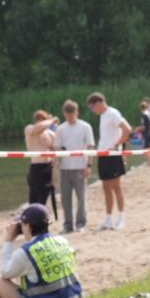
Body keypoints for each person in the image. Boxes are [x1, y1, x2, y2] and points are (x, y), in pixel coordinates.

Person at [0, 203, 86, 298]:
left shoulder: (27, 251)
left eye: (22, 225)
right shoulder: (62, 241)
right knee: (27, 276)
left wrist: (8, 240)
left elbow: (5, 272)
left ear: (28, 227)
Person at [87, 92, 131, 230]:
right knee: (106, 188)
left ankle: (121, 218)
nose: (92, 110)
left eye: (92, 107)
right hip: (103, 155)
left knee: (116, 187)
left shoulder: (112, 113)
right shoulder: (103, 116)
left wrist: (116, 145)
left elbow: (127, 129)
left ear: (99, 103)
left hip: (112, 155)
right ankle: (108, 219)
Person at [54, 100, 94, 233]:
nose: (70, 117)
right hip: (65, 168)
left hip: (80, 166)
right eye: (67, 115)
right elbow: (57, 147)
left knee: (81, 197)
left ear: (77, 112)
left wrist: (89, 165)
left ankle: (81, 223)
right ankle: (68, 224)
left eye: (72, 114)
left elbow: (90, 147)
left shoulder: (85, 126)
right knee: (65, 198)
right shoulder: (61, 128)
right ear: (64, 114)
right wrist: (57, 160)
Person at [24, 110, 58, 207]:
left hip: (48, 167)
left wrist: (55, 163)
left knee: (44, 198)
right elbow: (38, 128)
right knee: (33, 199)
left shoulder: (50, 133)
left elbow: (55, 150)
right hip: (36, 167)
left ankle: (42, 214)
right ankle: (32, 215)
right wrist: (51, 120)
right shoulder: (30, 129)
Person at [139, 100, 150, 167]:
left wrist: (137, 130)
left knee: (147, 148)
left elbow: (143, 127)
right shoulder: (149, 114)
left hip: (146, 134)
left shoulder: (144, 115)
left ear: (141, 108)